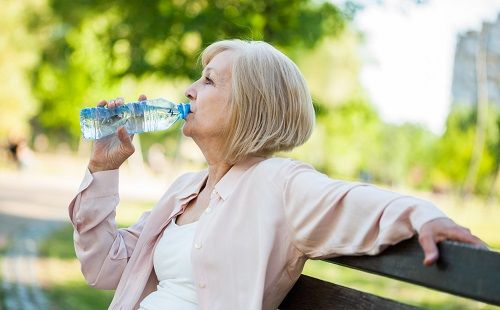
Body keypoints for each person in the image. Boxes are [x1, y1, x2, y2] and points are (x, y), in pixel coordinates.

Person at [68, 39, 486, 310]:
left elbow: (355, 202)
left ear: (249, 105)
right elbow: (105, 267)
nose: (189, 90)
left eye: (209, 81)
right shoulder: (185, 189)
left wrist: (424, 217)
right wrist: (103, 169)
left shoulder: (278, 184)